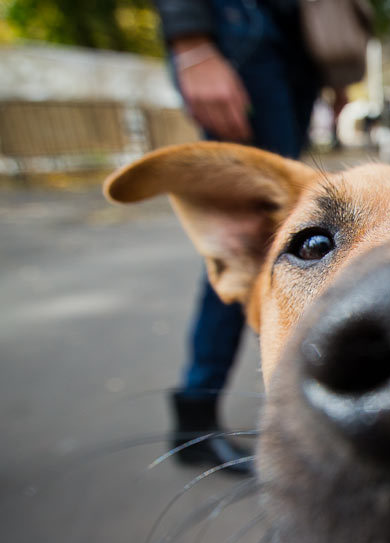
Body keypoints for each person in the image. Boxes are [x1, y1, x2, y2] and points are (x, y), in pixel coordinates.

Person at [154, 0, 321, 471]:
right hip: (239, 25)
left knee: (263, 240)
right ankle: (195, 418)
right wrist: (192, 43)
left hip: (296, 46)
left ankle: (197, 413)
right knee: (252, 249)